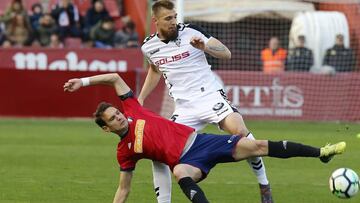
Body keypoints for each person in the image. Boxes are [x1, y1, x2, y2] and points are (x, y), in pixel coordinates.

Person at [63, 73, 346, 203]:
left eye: (116, 112)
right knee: (179, 171)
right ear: (106, 129)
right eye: (112, 119)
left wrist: (83, 82)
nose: (119, 117)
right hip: (187, 162)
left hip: (201, 142)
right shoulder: (124, 151)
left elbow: (114, 78)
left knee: (257, 145)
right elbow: (123, 189)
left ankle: (321, 152)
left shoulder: (133, 108)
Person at [139, 1, 273, 202]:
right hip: (184, 109)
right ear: (155, 20)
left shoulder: (192, 31)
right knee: (159, 152)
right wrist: (141, 98)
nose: (174, 22)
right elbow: (155, 70)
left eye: (174, 17)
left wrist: (205, 47)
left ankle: (264, 186)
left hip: (210, 97)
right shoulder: (148, 46)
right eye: (168, 19)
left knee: (241, 133)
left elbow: (226, 54)